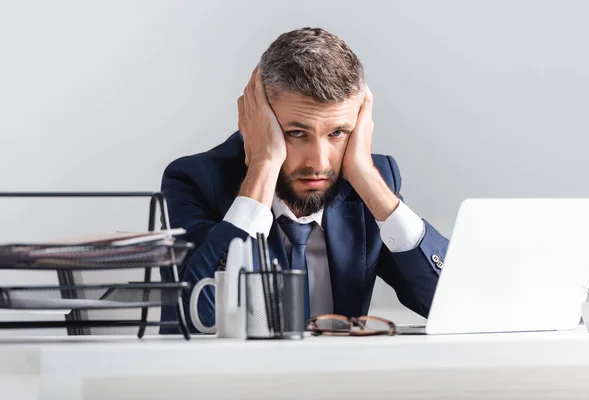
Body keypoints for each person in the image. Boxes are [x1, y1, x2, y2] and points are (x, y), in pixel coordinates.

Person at [159, 27, 449, 334]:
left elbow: (452, 305)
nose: (319, 163)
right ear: (257, 122)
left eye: (338, 133)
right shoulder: (195, 180)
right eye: (297, 133)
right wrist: (264, 166)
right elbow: (199, 316)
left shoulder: (366, 183)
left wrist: (369, 181)